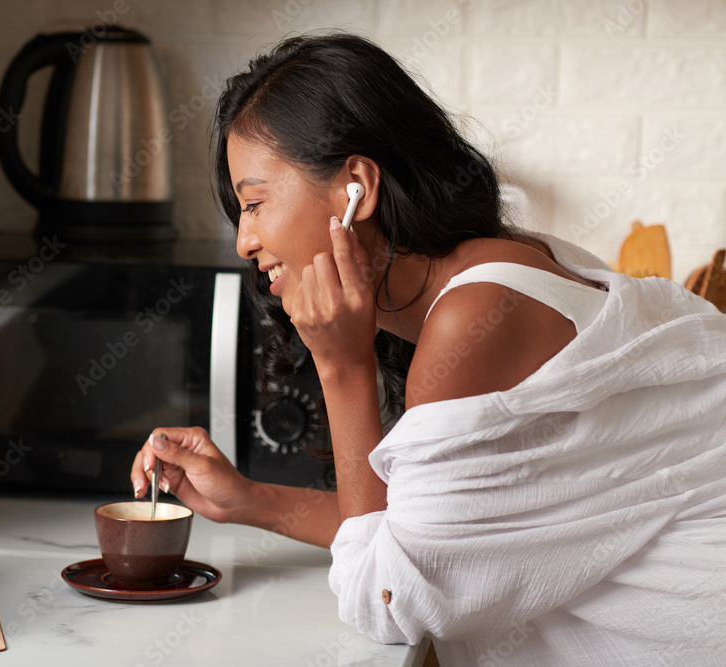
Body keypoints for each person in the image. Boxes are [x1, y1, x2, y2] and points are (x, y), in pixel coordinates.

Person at [129, 33, 726, 665]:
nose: (245, 241)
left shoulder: (475, 323)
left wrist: (343, 365)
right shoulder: (506, 263)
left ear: (355, 186)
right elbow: (430, 537)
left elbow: (387, 603)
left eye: (253, 204)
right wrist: (252, 499)